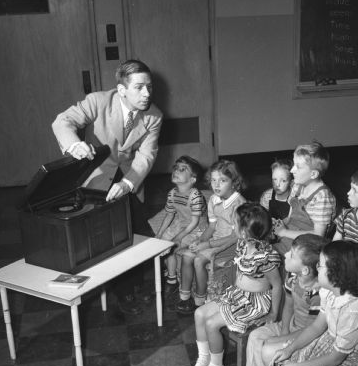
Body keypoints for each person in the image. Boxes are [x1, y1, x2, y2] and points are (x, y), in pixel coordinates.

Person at [52, 58, 163, 314]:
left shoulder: (154, 115)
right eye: (139, 87)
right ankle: (120, 292)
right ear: (122, 89)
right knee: (103, 238)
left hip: (128, 177)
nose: (147, 94)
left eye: (150, 87)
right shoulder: (98, 101)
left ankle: (133, 287)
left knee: (141, 234)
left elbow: (146, 156)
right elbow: (62, 122)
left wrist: (128, 183)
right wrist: (73, 145)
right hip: (97, 176)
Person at [185, 203, 283, 366]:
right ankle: (204, 359)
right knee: (199, 314)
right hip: (237, 294)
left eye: (235, 223)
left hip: (253, 302)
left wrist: (273, 314)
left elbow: (277, 285)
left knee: (212, 323)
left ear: (245, 231)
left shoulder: (266, 256)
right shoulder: (242, 244)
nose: (233, 226)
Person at [232, 233, 325, 366]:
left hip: (309, 335)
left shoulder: (317, 294)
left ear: (305, 270)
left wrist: (286, 338)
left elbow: (314, 329)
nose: (286, 254)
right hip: (291, 325)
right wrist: (283, 330)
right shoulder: (293, 278)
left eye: (291, 254)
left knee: (270, 348)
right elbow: (289, 306)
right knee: (256, 336)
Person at [176, 159, 246, 315]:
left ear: (234, 182)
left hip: (232, 244)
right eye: (213, 180)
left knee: (199, 260)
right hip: (215, 239)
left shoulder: (239, 204)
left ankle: (200, 300)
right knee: (187, 255)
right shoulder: (214, 199)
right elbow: (212, 226)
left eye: (222, 181)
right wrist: (200, 240)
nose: (216, 185)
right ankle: (184, 297)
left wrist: (208, 245)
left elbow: (236, 236)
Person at [155, 156, 208, 293]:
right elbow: (169, 215)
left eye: (182, 169)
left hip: (195, 228)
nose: (176, 171)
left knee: (171, 246)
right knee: (161, 244)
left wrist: (178, 237)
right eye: (175, 168)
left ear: (192, 179)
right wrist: (159, 234)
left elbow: (194, 222)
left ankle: (172, 281)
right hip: (180, 223)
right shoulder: (172, 193)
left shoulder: (195, 195)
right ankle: (171, 275)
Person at [274, 142, 336, 255]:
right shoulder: (298, 185)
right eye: (294, 164)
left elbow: (318, 236)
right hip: (288, 236)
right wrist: (278, 225)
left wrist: (284, 232)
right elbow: (291, 216)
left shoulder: (322, 197)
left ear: (313, 174)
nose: (292, 170)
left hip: (306, 247)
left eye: (298, 166)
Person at [259, 158, 294, 225]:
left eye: (283, 181)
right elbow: (261, 217)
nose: (277, 184)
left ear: (291, 182)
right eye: (275, 179)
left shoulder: (295, 198)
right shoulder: (267, 196)